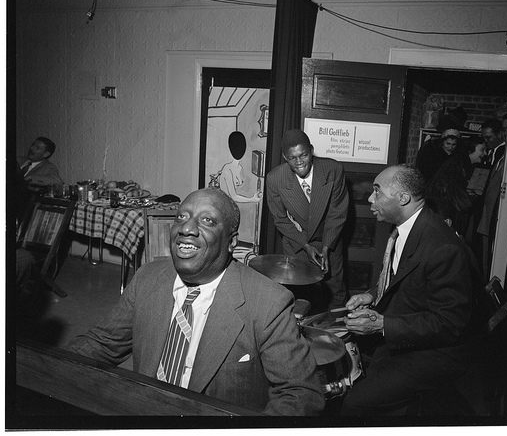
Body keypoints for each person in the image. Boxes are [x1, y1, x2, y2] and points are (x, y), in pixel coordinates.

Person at [68, 188, 325, 416]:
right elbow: (103, 343)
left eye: (207, 220)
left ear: (231, 242)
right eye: (181, 216)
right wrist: (45, 366)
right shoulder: (148, 277)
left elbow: (300, 394)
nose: (186, 228)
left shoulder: (269, 302)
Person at [339, 164, 485, 416]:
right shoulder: (407, 229)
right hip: (411, 333)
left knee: (354, 404)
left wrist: (382, 324)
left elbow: (450, 323)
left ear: (403, 198)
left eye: (377, 191)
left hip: (439, 352)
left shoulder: (442, 247)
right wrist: (372, 294)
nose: (370, 198)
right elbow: (402, 277)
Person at [266, 129, 349, 311]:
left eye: (303, 155)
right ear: (284, 157)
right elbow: (280, 219)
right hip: (297, 243)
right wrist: (305, 245)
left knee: (335, 294)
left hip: (329, 241)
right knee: (299, 297)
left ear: (311, 150)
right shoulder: (275, 179)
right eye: (292, 158)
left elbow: (337, 212)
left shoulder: (333, 170)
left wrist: (326, 247)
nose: (299, 162)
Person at [477, 118, 507, 278]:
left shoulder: (505, 155)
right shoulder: (493, 154)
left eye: (489, 137)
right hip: (485, 214)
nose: (486, 141)